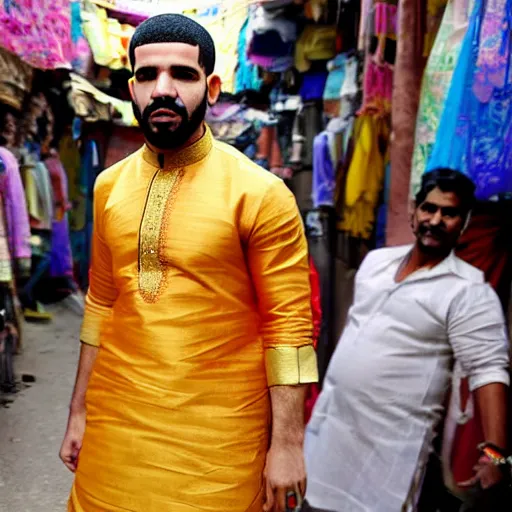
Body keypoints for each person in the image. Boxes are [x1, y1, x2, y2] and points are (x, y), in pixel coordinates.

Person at [59, 14, 318, 512]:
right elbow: (101, 303)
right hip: (116, 427)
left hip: (219, 438)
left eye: (182, 74)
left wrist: (287, 443)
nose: (163, 89)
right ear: (132, 88)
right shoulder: (108, 186)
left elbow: (289, 329)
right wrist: (78, 412)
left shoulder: (261, 194)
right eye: (149, 76)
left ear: (213, 87)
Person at [303, 168, 510, 512]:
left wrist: (496, 452)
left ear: (464, 222)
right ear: (414, 212)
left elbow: (488, 370)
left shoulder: (469, 291)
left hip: (389, 451)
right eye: (429, 208)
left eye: (449, 213)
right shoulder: (376, 263)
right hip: (331, 429)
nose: (436, 219)